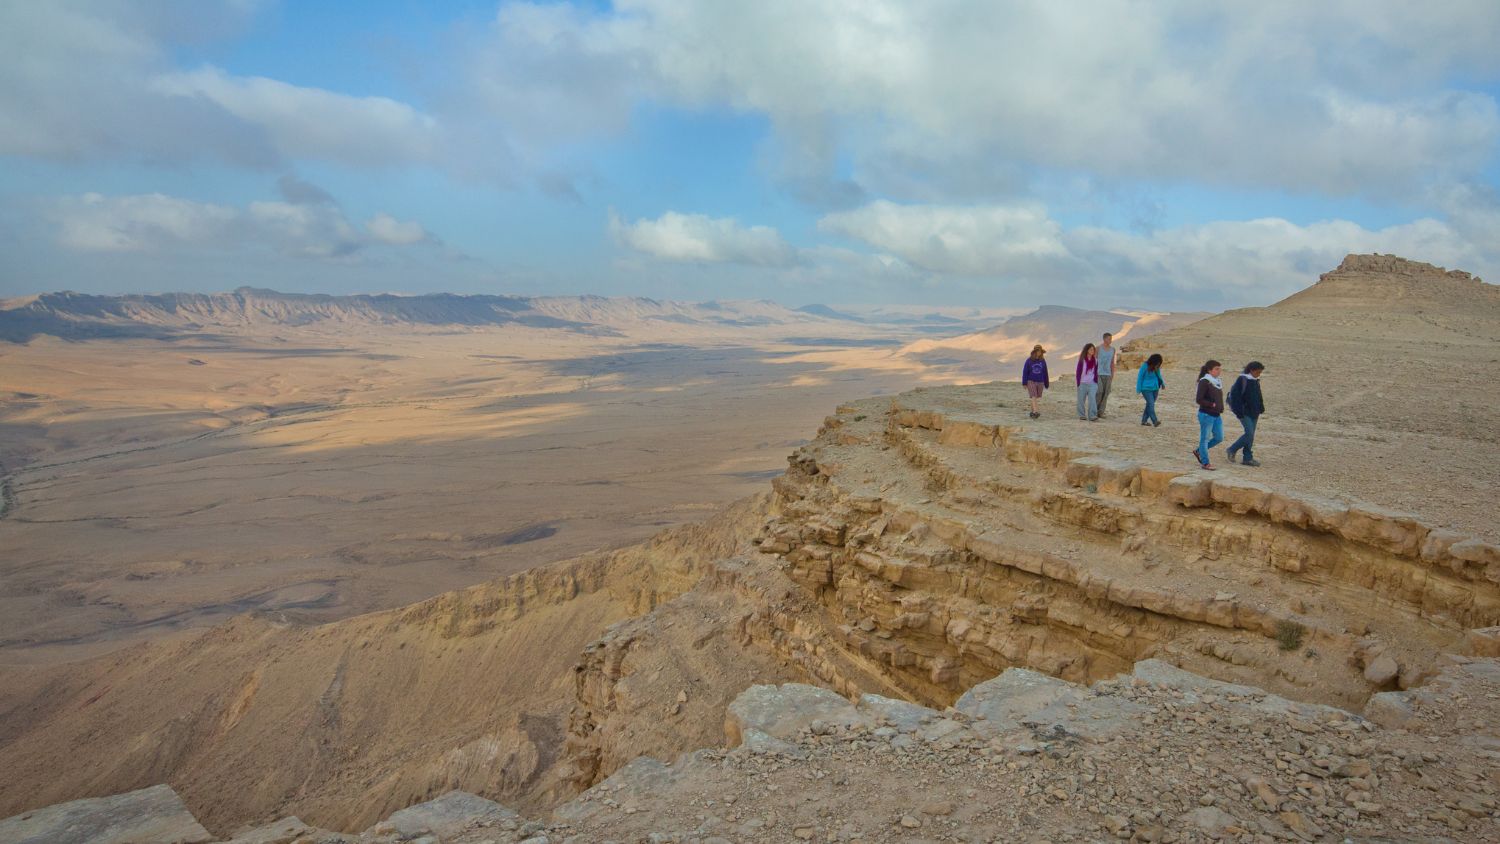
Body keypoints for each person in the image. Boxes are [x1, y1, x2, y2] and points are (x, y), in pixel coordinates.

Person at [1226, 361, 1266, 466]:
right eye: (1258, 372)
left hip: (1255, 412)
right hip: (1244, 412)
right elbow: (1235, 397)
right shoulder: (1242, 380)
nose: (1259, 374)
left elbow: (1258, 395)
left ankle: (1247, 458)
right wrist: (1239, 412)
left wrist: (1261, 407)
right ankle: (1232, 449)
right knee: (1249, 434)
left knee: (1251, 435)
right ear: (1251, 370)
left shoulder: (1256, 380)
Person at [1193, 359, 1225, 469]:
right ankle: (1205, 463)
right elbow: (1199, 399)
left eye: (1219, 369)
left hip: (1216, 415)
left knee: (1219, 437)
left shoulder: (1217, 381)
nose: (1219, 371)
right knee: (1205, 438)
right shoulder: (1204, 381)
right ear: (1210, 370)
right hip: (1206, 415)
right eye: (1216, 369)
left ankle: (1199, 451)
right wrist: (1212, 404)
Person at [1136, 353, 1165, 427]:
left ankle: (1144, 421)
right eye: (1158, 363)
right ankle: (1155, 421)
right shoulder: (1144, 366)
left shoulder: (1156, 367)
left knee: (1149, 405)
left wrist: (1163, 383)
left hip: (1155, 388)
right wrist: (1138, 389)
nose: (1159, 365)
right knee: (1151, 404)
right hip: (1146, 389)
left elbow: (1159, 375)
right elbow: (1140, 378)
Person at [1021, 344, 1049, 419]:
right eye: (1038, 351)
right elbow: (1025, 372)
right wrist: (1024, 383)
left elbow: (1045, 372)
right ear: (1034, 352)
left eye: (1040, 352)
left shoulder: (1042, 361)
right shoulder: (1029, 361)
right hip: (1031, 381)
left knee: (1037, 396)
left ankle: (1032, 412)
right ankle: (1036, 411)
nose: (1039, 353)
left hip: (1040, 381)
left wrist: (1046, 383)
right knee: (1034, 396)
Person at [1075, 343, 1099, 421]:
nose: (1092, 351)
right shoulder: (1081, 360)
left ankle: (1092, 415)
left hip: (1092, 383)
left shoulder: (1095, 360)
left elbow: (1095, 372)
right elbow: (1078, 372)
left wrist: (1096, 381)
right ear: (1087, 350)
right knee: (1081, 400)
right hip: (1082, 383)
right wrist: (1078, 383)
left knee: (1092, 399)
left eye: (1093, 349)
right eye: (1091, 349)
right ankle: (1082, 415)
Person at [1096, 332, 1116, 417]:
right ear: (1104, 339)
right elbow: (1094, 361)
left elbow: (1112, 362)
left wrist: (1112, 374)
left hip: (1108, 374)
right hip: (1098, 373)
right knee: (1099, 391)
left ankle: (1101, 412)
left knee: (1106, 393)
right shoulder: (1098, 348)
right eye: (1108, 339)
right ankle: (1094, 410)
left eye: (1111, 339)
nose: (1110, 340)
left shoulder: (1113, 349)